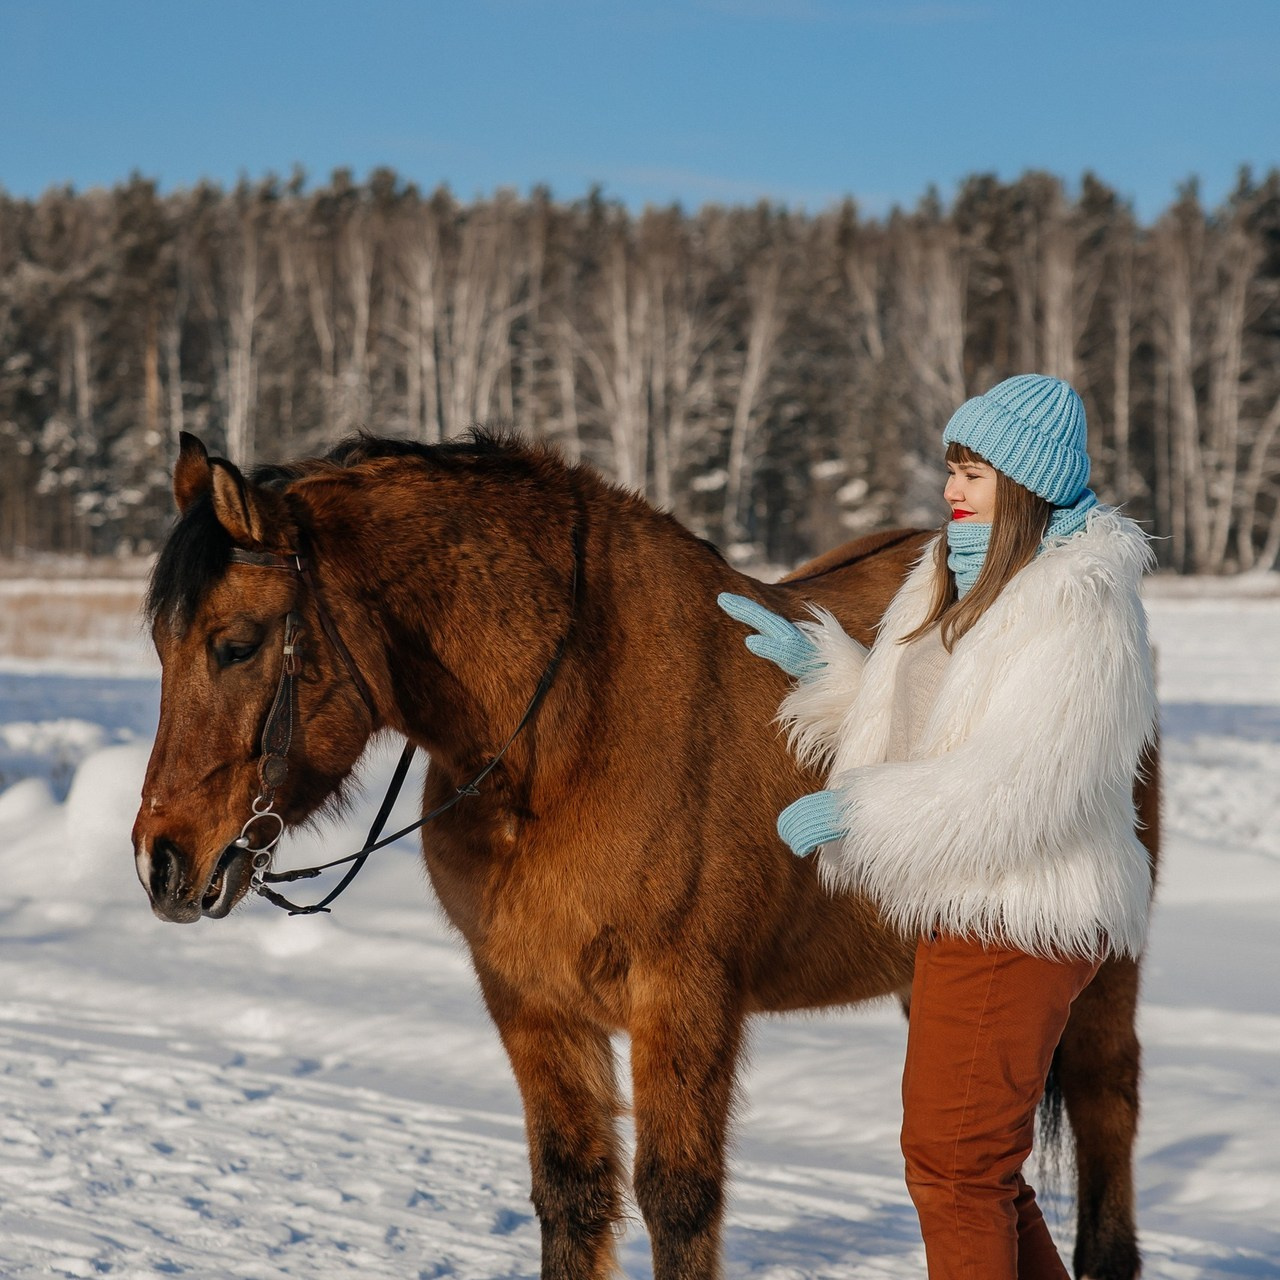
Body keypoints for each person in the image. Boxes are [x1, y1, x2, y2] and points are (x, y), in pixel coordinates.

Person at [718, 374, 1157, 1279]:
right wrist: (827, 671)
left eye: (976, 474)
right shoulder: (967, 574)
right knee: (979, 1169)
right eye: (952, 468)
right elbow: (930, 731)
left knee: (955, 1171)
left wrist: (861, 810)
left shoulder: (1076, 605)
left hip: (1021, 915)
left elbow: (1028, 784)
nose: (952, 491)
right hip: (972, 907)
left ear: (1027, 485)